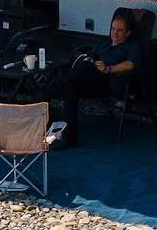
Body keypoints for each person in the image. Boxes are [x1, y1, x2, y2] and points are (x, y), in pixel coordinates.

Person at [60, 13, 141, 147]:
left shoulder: (132, 46)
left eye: (120, 30)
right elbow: (90, 56)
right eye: (113, 29)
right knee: (71, 87)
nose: (115, 33)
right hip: (88, 78)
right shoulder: (103, 44)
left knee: (79, 71)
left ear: (127, 33)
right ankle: (69, 137)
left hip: (107, 82)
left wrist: (108, 69)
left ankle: (42, 97)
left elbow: (130, 64)